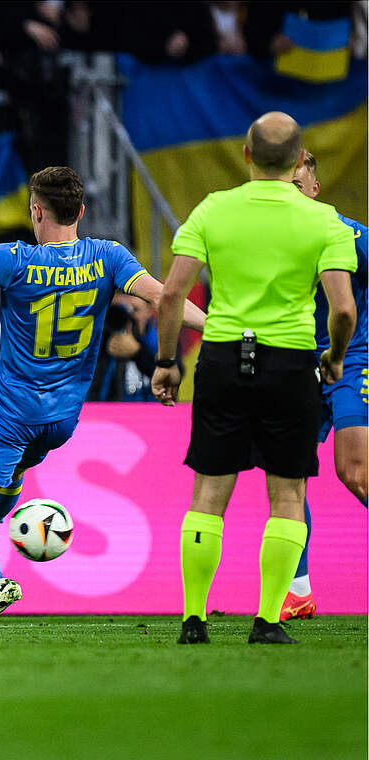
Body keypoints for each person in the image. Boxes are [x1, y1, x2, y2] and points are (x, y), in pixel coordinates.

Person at [0, 166, 206, 635]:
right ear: (81, 212)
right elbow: (166, 298)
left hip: (8, 410)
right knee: (11, 475)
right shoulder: (108, 257)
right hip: (63, 417)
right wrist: (217, 328)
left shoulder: (16, 260)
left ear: (36, 210)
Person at [153, 112, 357, 646]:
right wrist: (334, 358)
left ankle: (193, 619)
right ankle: (268, 620)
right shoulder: (326, 222)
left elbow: (173, 294)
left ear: (246, 154)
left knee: (208, 494)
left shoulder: (213, 210)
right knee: (287, 496)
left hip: (221, 360)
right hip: (291, 364)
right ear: (298, 162)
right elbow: (342, 309)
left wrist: (167, 362)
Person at [282, 151, 366, 620]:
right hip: (298, 365)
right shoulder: (269, 241)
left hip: (351, 360)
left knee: (354, 472)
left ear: (314, 190)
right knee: (288, 478)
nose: (288, 195)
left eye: (297, 186)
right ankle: (298, 591)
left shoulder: (347, 233)